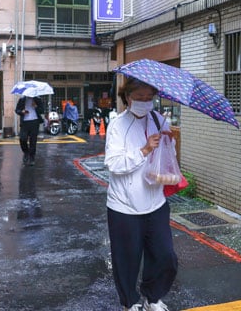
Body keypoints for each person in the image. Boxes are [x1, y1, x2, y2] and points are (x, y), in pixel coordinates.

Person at [104, 77, 177, 311]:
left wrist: (169, 143)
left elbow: (168, 158)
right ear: (127, 98)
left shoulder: (158, 119)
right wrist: (144, 150)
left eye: (149, 98)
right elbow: (114, 164)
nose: (146, 102)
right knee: (126, 260)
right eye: (139, 98)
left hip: (155, 202)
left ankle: (152, 297)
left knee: (165, 255)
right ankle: (130, 302)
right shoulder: (117, 125)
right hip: (124, 206)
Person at [15, 96, 44, 166]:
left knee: (33, 141)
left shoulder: (37, 99)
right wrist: (22, 112)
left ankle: (32, 158)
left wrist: (36, 106)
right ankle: (26, 152)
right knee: (22, 138)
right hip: (25, 122)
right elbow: (17, 110)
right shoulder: (22, 99)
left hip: (34, 122)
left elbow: (42, 110)